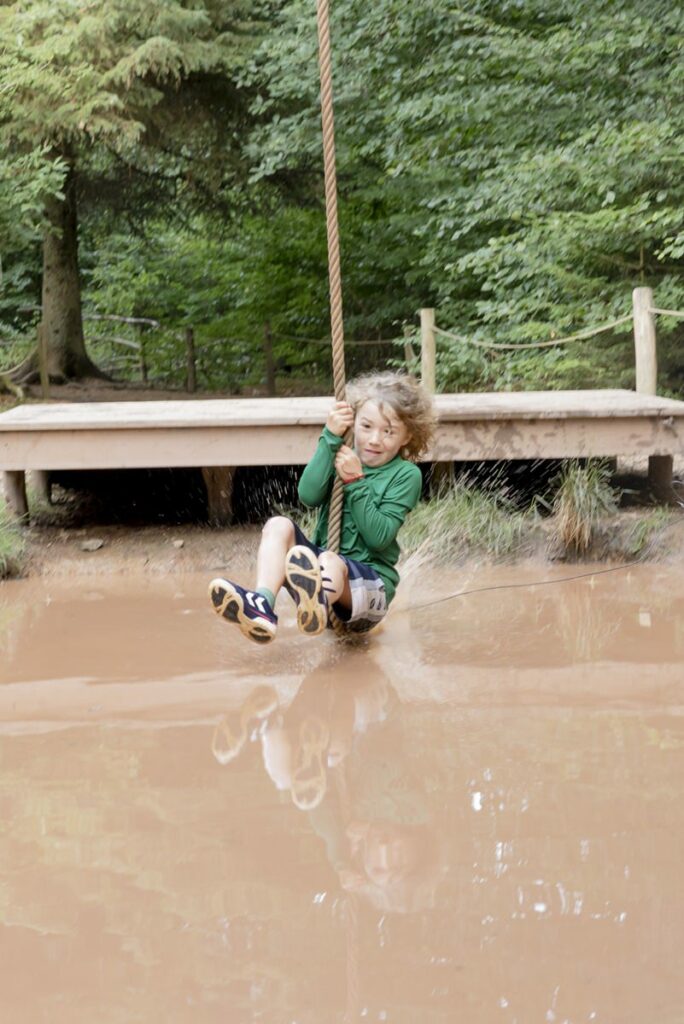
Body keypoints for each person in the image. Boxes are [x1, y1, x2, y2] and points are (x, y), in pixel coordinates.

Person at [208, 371, 436, 643]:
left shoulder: (405, 474)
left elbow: (379, 538)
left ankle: (316, 601)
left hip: (368, 593)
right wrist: (329, 437)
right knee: (278, 525)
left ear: (408, 435)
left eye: (388, 431)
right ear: (353, 424)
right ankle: (262, 605)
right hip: (326, 580)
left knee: (329, 560)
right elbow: (308, 495)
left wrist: (354, 481)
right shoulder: (341, 453)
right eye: (366, 427)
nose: (375, 439)